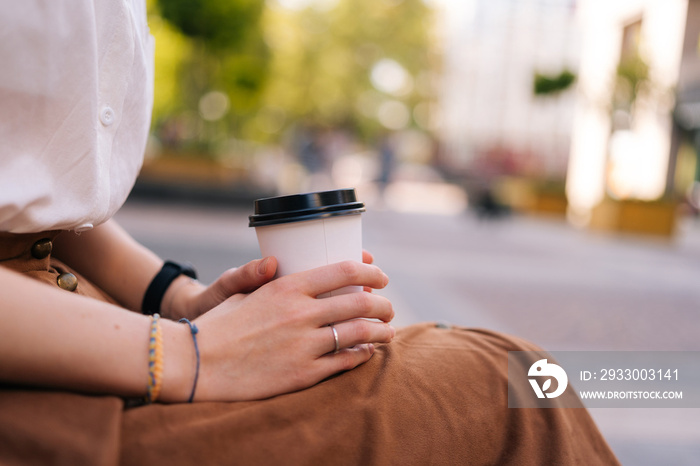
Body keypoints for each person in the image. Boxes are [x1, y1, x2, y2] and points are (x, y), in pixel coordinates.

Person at [0, 1, 620, 464]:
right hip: (41, 401)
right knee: (509, 392)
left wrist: (177, 298)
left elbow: (30, 187)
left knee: (516, 378)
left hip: (86, 322)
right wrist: (189, 352)